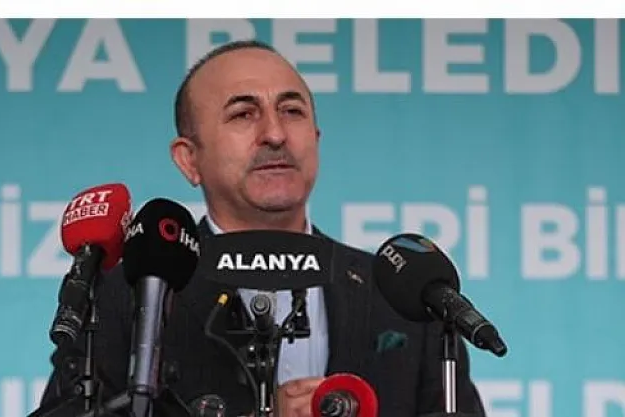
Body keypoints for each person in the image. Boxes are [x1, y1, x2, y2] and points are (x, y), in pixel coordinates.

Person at [39, 40, 487, 417]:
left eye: (291, 111)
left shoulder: (400, 296)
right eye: (243, 114)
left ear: (316, 139)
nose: (275, 134)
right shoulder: (131, 295)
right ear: (189, 159)